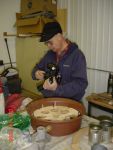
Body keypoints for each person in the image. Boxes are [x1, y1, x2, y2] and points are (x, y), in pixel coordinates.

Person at [32, 21, 88, 101]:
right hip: (49, 99)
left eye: (50, 42)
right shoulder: (49, 55)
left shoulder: (77, 56)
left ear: (59, 36)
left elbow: (81, 84)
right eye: (46, 43)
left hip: (70, 102)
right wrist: (36, 73)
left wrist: (57, 89)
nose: (48, 46)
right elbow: (36, 69)